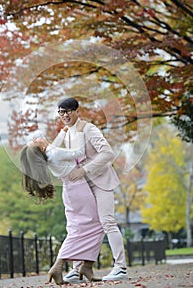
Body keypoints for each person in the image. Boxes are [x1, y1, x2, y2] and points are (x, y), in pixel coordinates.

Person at [20, 121, 104, 285]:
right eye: (35, 141)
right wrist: (79, 132)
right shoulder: (54, 153)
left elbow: (54, 146)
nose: (38, 138)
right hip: (79, 190)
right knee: (98, 225)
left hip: (71, 191)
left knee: (77, 228)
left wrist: (63, 132)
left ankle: (86, 266)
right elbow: (79, 151)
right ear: (41, 148)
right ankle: (61, 265)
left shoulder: (50, 153)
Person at [57, 97, 128, 282]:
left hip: (101, 181)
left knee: (107, 222)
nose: (65, 115)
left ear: (77, 111)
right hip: (82, 186)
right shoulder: (66, 133)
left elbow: (108, 153)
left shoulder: (89, 129)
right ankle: (77, 268)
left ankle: (120, 267)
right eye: (61, 112)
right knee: (81, 226)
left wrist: (84, 170)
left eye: (68, 111)